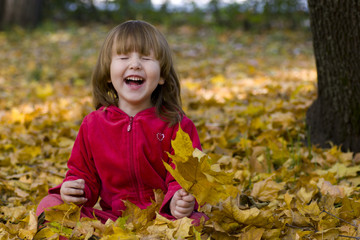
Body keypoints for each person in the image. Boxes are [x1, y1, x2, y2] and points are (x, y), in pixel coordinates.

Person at [36, 20, 203, 224]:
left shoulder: (177, 125)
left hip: (164, 219)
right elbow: (83, 175)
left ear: (162, 76)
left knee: (200, 223)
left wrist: (179, 200)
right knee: (49, 207)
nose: (135, 64)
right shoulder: (93, 125)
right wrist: (74, 188)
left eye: (146, 57)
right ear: (107, 73)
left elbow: (186, 178)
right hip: (112, 222)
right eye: (124, 57)